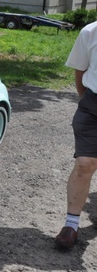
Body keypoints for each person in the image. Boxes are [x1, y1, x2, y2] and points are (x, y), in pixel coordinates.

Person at [55, 21, 97, 249]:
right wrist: (86, 100)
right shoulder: (90, 32)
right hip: (93, 105)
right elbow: (80, 70)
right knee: (85, 163)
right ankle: (71, 225)